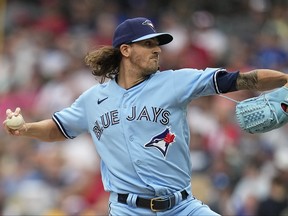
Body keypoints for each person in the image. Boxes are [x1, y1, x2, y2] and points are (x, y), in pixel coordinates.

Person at [3, 17, 288, 215]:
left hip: (182, 207)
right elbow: (58, 128)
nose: (157, 49)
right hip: (128, 209)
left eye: (157, 44)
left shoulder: (175, 81)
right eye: (148, 44)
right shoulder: (93, 99)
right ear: (125, 50)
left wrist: (285, 80)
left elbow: (242, 79)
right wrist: (25, 128)